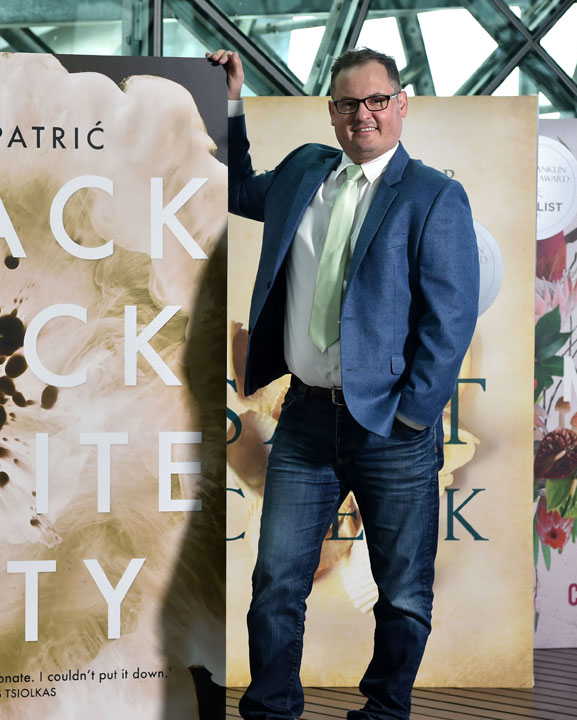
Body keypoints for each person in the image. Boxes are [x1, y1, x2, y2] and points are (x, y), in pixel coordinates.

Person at [207, 47, 480, 720]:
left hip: (392, 428)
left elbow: (451, 319)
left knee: (404, 593)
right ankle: (271, 711)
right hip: (304, 419)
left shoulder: (434, 197)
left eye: (377, 101)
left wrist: (413, 416)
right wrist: (232, 103)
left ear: (402, 104)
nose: (364, 115)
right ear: (332, 112)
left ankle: (385, 711)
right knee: (276, 583)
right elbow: (238, 190)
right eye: (349, 103)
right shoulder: (304, 171)